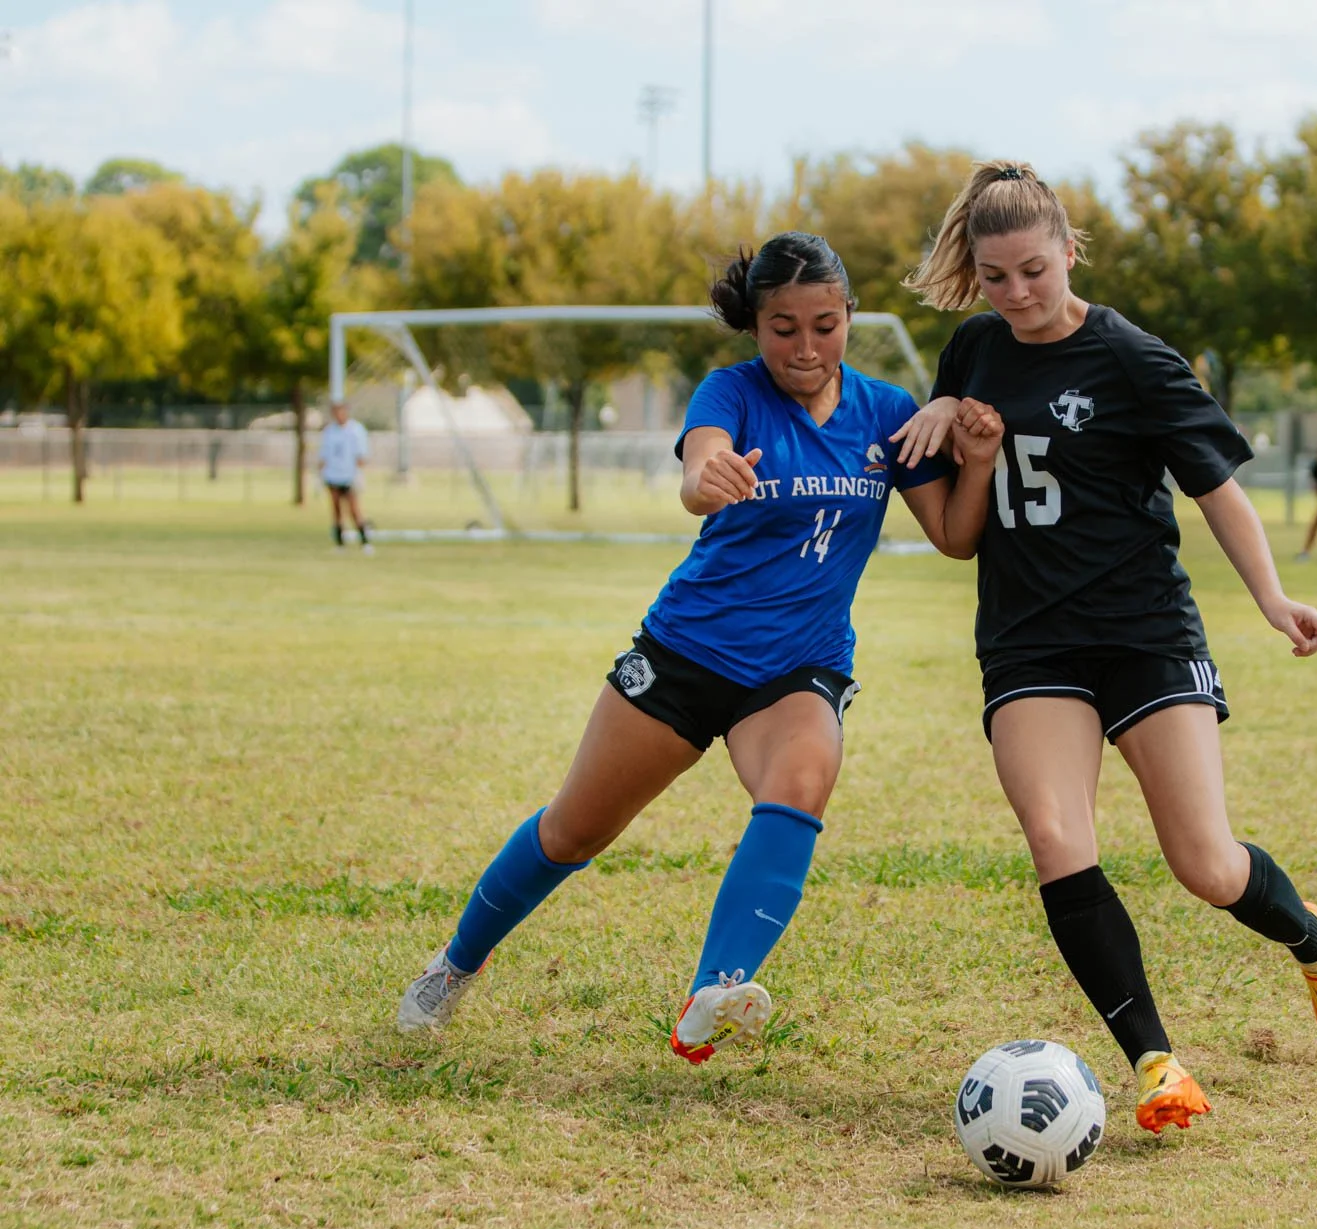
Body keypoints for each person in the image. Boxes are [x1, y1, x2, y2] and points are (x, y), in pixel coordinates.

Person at [395, 233, 1000, 1060]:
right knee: (574, 830)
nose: (806, 346)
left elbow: (955, 538)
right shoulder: (732, 393)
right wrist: (705, 478)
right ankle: (456, 963)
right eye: (783, 327)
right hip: (685, 656)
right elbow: (699, 465)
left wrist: (982, 461)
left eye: (825, 324)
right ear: (755, 325)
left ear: (850, 316)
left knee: (804, 774)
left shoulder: (889, 414)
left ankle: (714, 990)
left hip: (797, 668)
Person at [891, 161, 1317, 1137]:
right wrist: (950, 431)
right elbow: (959, 532)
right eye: (995, 277)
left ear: (1070, 250)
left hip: (1145, 634)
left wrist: (1272, 599)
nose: (1016, 294)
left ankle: (1311, 938)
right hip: (1029, 642)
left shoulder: (1136, 359)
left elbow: (1217, 490)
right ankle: (1157, 1063)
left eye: (1034, 270)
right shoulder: (972, 350)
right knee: (1058, 841)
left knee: (1205, 863)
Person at [318, 401, 373, 552]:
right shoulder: (330, 431)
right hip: (333, 475)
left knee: (354, 510)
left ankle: (365, 542)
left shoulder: (355, 430)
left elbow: (361, 456)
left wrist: (359, 474)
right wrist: (320, 474)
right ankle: (340, 544)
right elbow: (324, 455)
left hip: (349, 475)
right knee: (336, 510)